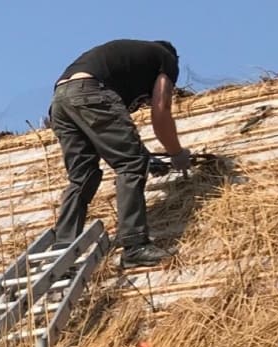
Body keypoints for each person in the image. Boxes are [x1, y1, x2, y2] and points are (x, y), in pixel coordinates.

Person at [49, 39, 191, 268]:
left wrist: (145, 156)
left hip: (60, 100)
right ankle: (135, 246)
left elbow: (110, 135)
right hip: (89, 92)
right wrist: (176, 153)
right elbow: (161, 111)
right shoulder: (166, 58)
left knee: (82, 176)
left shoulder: (127, 62)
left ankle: (62, 251)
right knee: (130, 165)